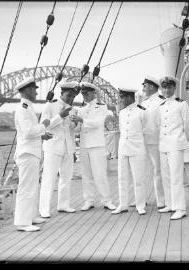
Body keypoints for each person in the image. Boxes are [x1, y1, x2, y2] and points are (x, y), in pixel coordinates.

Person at [13, 77, 53, 232]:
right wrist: (44, 125)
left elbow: (28, 132)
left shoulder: (27, 107)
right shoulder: (22, 109)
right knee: (26, 188)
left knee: (32, 186)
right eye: (34, 89)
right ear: (28, 90)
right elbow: (28, 132)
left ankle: (30, 216)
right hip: (27, 153)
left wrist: (41, 135)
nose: (36, 92)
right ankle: (22, 222)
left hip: (32, 152)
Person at [70, 82, 116, 211]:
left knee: (100, 174)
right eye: (83, 93)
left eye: (86, 93)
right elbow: (79, 128)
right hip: (85, 145)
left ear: (93, 93)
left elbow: (98, 123)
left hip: (97, 145)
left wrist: (81, 120)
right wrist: (73, 122)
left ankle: (107, 200)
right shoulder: (81, 109)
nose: (84, 95)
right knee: (86, 174)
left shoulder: (101, 107)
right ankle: (88, 200)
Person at [39, 81, 79, 218]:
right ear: (61, 93)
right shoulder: (50, 105)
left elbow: (70, 130)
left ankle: (63, 205)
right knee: (49, 179)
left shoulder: (73, 109)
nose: (70, 99)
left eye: (73, 96)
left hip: (68, 147)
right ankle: (44, 208)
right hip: (53, 147)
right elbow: (44, 126)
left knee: (66, 178)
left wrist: (75, 123)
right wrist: (59, 116)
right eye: (68, 95)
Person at [157, 75, 189, 220]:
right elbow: (159, 125)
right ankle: (170, 203)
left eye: (169, 87)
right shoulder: (161, 106)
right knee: (166, 176)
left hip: (176, 144)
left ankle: (180, 208)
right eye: (164, 87)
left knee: (176, 177)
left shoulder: (181, 104)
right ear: (162, 89)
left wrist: (182, 140)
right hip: (164, 145)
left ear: (174, 88)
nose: (167, 90)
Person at [111, 88, 147, 215]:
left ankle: (140, 205)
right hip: (123, 149)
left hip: (137, 149)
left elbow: (146, 130)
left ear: (130, 97)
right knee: (122, 178)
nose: (121, 100)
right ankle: (123, 204)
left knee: (139, 180)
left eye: (122, 97)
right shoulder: (121, 113)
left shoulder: (141, 111)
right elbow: (122, 130)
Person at [141, 75, 166, 209]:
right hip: (143, 141)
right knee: (143, 171)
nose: (143, 89)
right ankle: (141, 199)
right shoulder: (144, 103)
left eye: (145, 86)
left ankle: (161, 200)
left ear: (151, 86)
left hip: (156, 141)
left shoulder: (161, 101)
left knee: (158, 171)